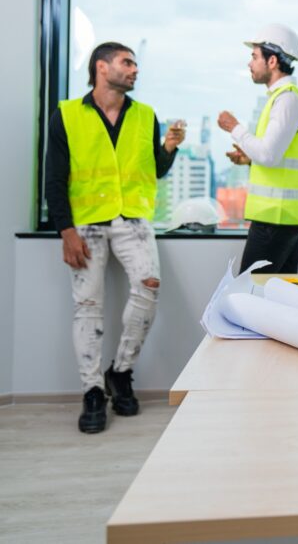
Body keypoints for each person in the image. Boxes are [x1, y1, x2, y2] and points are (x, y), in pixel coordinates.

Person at [45, 41, 184, 433]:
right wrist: (65, 231)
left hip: (132, 220)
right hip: (85, 223)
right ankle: (92, 392)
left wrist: (169, 148)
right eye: (127, 63)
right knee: (87, 305)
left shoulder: (145, 116)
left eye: (136, 64)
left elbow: (155, 169)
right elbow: (54, 179)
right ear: (101, 68)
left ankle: (120, 372)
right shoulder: (67, 114)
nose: (135, 70)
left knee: (149, 286)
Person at [218, 23, 298, 274]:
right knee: (275, 295)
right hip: (281, 215)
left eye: (254, 57)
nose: (249, 63)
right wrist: (250, 159)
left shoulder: (287, 99)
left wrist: (235, 127)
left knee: (249, 293)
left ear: (272, 61)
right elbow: (276, 155)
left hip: (277, 216)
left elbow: (269, 156)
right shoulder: (286, 98)